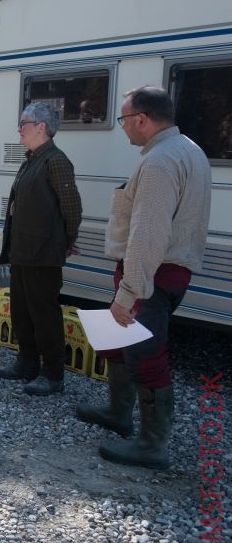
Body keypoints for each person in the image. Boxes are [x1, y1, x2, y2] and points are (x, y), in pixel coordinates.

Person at [78, 86, 210, 470]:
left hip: (150, 274)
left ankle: (153, 445)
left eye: (123, 119)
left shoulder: (159, 162)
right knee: (122, 344)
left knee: (147, 356)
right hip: (166, 271)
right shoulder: (189, 149)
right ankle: (118, 413)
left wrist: (128, 291)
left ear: (141, 119)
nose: (122, 128)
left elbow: (148, 234)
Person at [0, 102, 82, 396]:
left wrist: (67, 241)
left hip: (43, 253)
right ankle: (27, 363)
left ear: (41, 127)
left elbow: (71, 206)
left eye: (23, 123)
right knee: (22, 312)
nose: (19, 129)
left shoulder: (55, 160)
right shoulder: (31, 158)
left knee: (44, 315)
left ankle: (53, 374)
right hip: (23, 251)